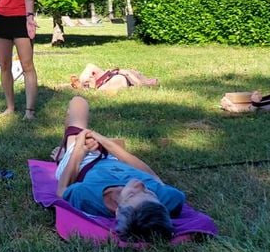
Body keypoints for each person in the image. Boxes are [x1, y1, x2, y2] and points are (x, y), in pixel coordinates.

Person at [55, 96, 185, 241]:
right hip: (113, 159)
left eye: (131, 194)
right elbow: (152, 176)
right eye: (150, 192)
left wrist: (79, 149)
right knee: (113, 142)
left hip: (82, 162)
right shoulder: (166, 200)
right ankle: (71, 144)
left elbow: (62, 190)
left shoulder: (89, 197)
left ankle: (65, 151)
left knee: (78, 104)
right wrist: (105, 142)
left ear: (117, 211)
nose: (139, 185)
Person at [70, 63, 159, 92]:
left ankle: (83, 84)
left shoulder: (86, 73)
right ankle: (147, 83)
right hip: (115, 79)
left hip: (116, 79)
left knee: (132, 73)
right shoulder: (87, 75)